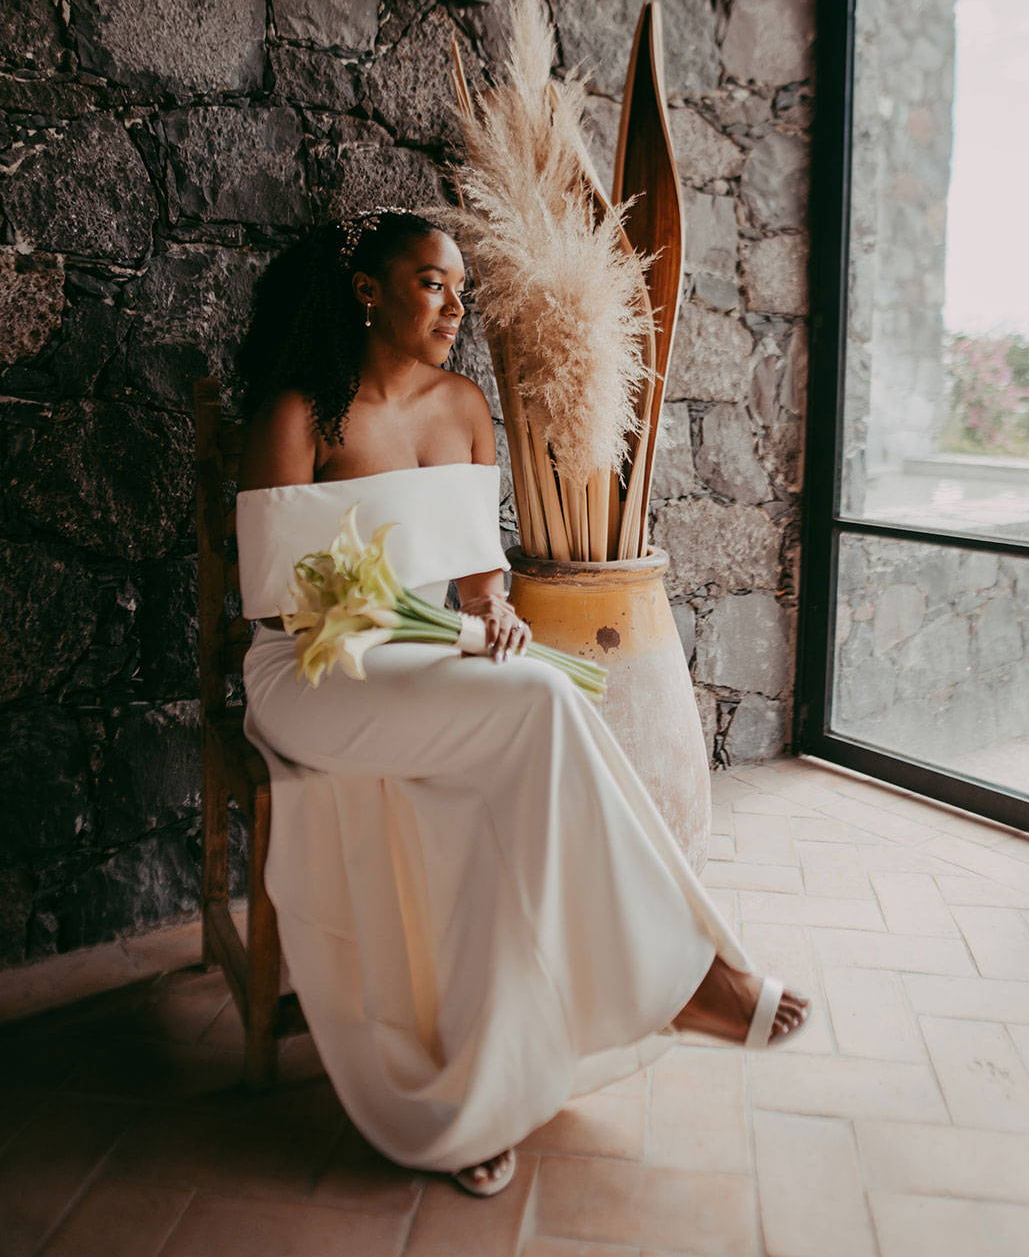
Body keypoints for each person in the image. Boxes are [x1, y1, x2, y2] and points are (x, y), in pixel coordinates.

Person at [233, 206, 810, 1198]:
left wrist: (493, 619)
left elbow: (477, 578)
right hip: (314, 674)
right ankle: (679, 978)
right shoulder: (301, 415)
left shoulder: (462, 406)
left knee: (523, 730)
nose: (455, 303)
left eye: (461, 287)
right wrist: (459, 637)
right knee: (541, 702)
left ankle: (491, 1086)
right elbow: (287, 608)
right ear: (368, 291)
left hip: (421, 662)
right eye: (431, 282)